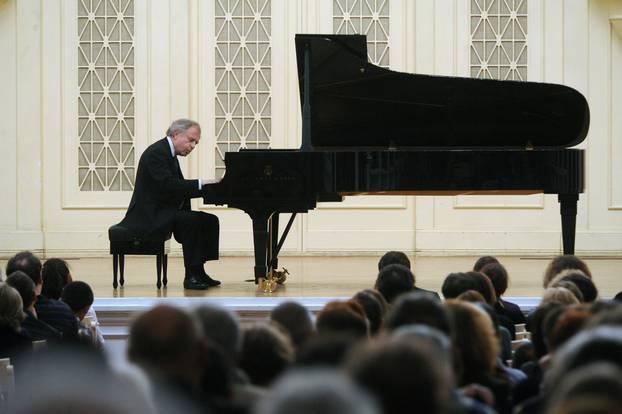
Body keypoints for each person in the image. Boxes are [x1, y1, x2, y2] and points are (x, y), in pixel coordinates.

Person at [119, 119, 221, 290]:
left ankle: (199, 270)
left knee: (209, 220)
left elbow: (177, 187)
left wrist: (208, 188)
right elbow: (168, 186)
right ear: (176, 134)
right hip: (149, 215)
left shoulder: (167, 153)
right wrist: (203, 184)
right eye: (191, 140)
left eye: (196, 142)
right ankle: (191, 276)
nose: (193, 145)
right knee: (192, 221)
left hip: (163, 211)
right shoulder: (157, 153)